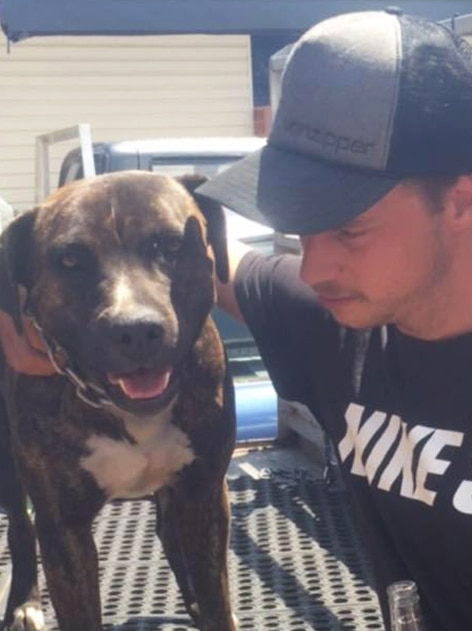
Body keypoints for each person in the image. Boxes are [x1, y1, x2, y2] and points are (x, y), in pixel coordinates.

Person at [2, 8, 472, 631]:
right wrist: (17, 311)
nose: (311, 267)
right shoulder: (327, 321)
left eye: (349, 228)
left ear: (460, 200)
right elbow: (202, 266)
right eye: (300, 228)